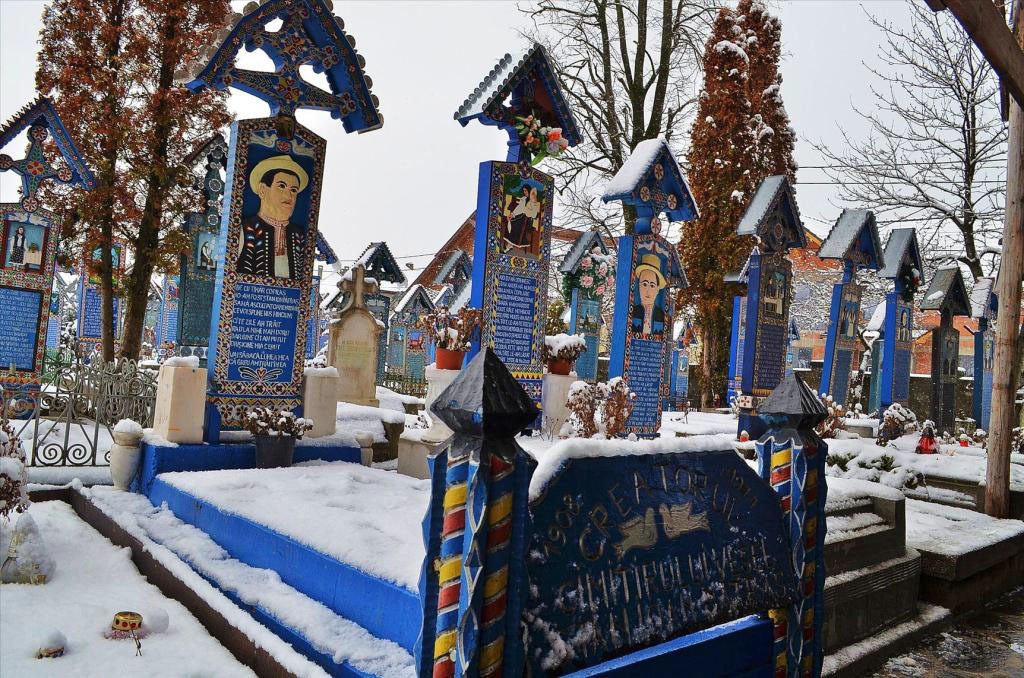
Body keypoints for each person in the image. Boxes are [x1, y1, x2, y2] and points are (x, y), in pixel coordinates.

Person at [237, 155, 309, 279]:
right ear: (262, 190)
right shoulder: (244, 229)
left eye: (293, 190)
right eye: (281, 186)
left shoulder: (299, 235)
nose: (289, 196)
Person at [630, 253, 667, 337]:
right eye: (644, 284)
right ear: (639, 286)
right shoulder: (633, 312)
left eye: (652, 285)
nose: (648, 290)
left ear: (657, 289)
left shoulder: (661, 315)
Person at [503, 182, 541, 255]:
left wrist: (528, 211)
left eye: (525, 190)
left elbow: (534, 214)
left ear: (529, 191)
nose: (524, 192)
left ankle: (509, 246)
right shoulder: (524, 199)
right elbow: (519, 208)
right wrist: (512, 214)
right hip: (521, 217)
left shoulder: (533, 201)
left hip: (527, 221)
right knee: (511, 221)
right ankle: (509, 245)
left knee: (516, 225)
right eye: (523, 191)